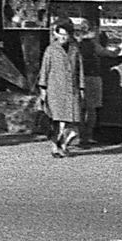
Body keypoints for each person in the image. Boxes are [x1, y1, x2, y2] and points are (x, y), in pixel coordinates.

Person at [37, 18, 87, 157]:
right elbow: (44, 69)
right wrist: (43, 89)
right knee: (58, 121)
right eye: (61, 34)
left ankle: (63, 144)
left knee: (74, 123)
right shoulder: (51, 49)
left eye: (66, 35)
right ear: (56, 34)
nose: (63, 38)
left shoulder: (75, 49)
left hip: (72, 89)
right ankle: (55, 148)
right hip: (55, 89)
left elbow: (80, 69)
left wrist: (82, 88)